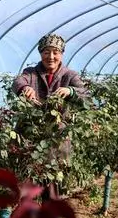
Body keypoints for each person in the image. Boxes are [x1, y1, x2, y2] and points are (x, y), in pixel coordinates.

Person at [12, 32, 89, 200]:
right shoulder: (31, 73)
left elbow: (85, 95)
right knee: (28, 182)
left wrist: (71, 91)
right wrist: (25, 88)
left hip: (57, 138)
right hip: (31, 137)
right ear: (41, 54)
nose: (51, 57)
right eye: (46, 52)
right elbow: (18, 81)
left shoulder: (70, 75)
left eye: (55, 52)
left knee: (53, 186)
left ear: (61, 54)